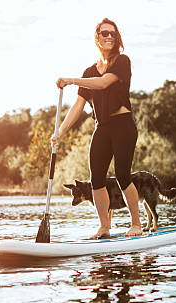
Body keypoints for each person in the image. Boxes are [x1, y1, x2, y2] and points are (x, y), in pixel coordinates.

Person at [53, 17, 142, 238]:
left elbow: (103, 83)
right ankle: (104, 227)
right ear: (97, 38)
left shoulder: (122, 62)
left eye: (113, 33)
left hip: (123, 125)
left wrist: (72, 80)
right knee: (96, 179)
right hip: (102, 127)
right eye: (105, 33)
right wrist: (59, 132)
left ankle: (136, 225)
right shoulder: (89, 71)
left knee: (122, 175)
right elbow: (78, 106)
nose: (109, 37)